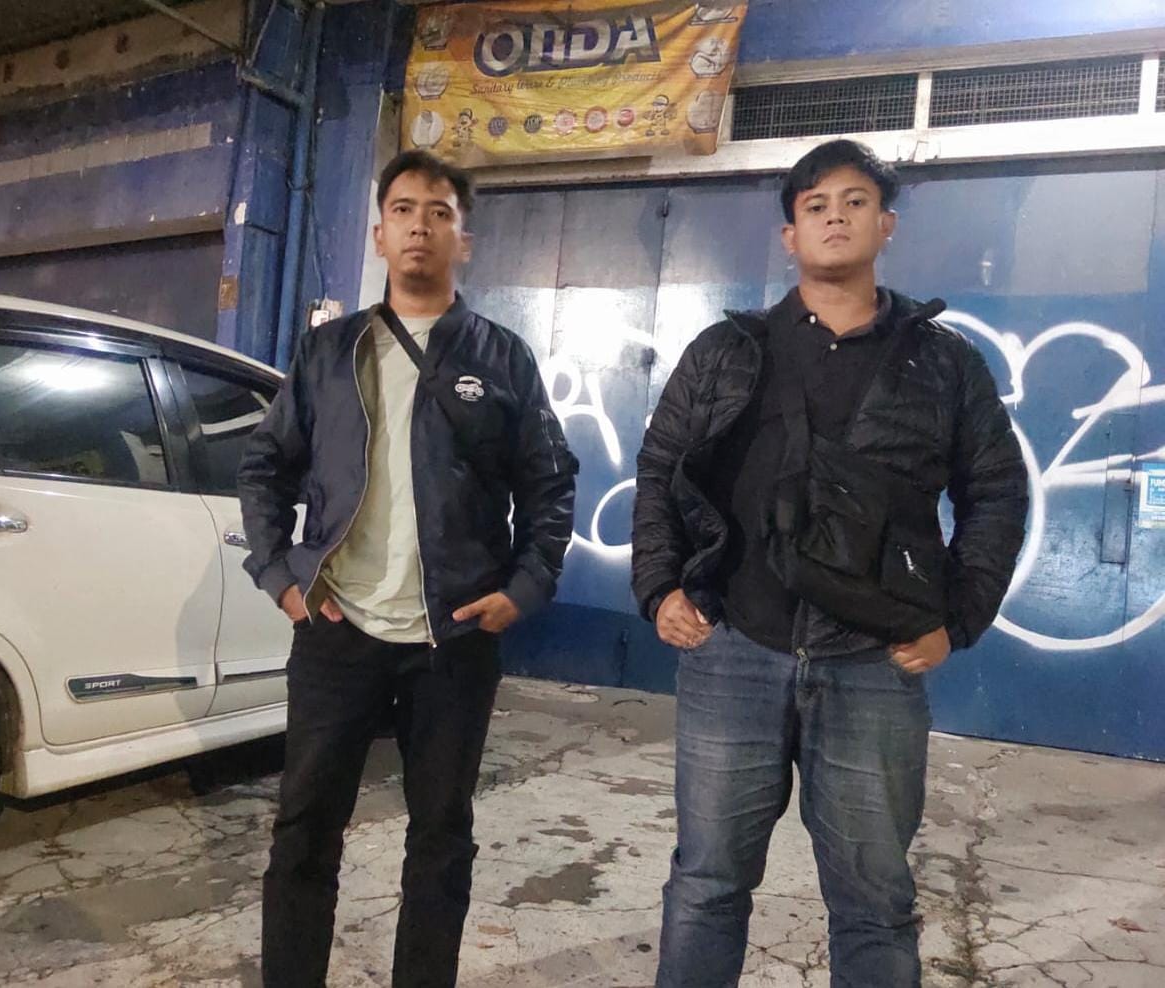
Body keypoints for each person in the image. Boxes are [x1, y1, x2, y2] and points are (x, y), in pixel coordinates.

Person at [632, 139, 1028, 987]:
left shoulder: (944, 362)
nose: (835, 217)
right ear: (790, 236)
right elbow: (661, 469)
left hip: (874, 662)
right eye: (815, 206)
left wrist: (958, 618)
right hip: (734, 651)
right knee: (706, 885)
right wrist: (660, 585)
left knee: (874, 902)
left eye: (855, 202)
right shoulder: (726, 350)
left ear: (886, 225)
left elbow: (997, 491)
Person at [239, 149, 577, 988]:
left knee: (440, 839)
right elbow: (264, 466)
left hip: (453, 637)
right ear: (380, 233)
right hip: (337, 628)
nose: (419, 225)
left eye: (438, 212)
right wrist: (281, 576)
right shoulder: (327, 351)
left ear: (464, 238)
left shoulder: (501, 357)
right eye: (402, 210)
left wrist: (524, 588)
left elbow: (549, 482)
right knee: (305, 830)